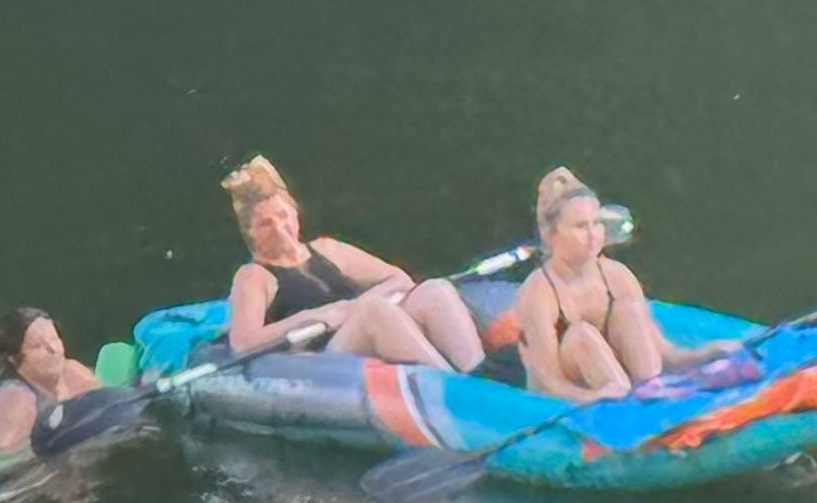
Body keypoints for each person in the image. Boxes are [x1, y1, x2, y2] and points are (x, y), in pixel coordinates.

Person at [222, 155, 484, 371]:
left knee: (434, 290)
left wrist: (352, 307)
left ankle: (478, 371)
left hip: (361, 324)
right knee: (373, 312)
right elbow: (244, 342)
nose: (280, 229)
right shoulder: (254, 275)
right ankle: (453, 388)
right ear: (251, 233)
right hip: (324, 354)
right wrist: (317, 316)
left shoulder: (329, 248)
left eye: (283, 215)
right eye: (265, 224)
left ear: (294, 210)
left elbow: (399, 279)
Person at [510, 166, 725, 401]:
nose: (593, 235)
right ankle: (624, 396)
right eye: (580, 227)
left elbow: (665, 353)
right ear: (552, 235)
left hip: (623, 379)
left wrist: (706, 354)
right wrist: (594, 397)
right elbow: (546, 383)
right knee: (582, 335)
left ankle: (651, 385)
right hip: (579, 389)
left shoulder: (617, 275)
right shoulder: (538, 293)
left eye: (596, 223)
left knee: (628, 310)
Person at [0, 306, 111, 459]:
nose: (54, 349)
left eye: (54, 339)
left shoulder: (73, 371)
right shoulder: (18, 400)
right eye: (38, 346)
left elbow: (105, 405)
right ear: (15, 359)